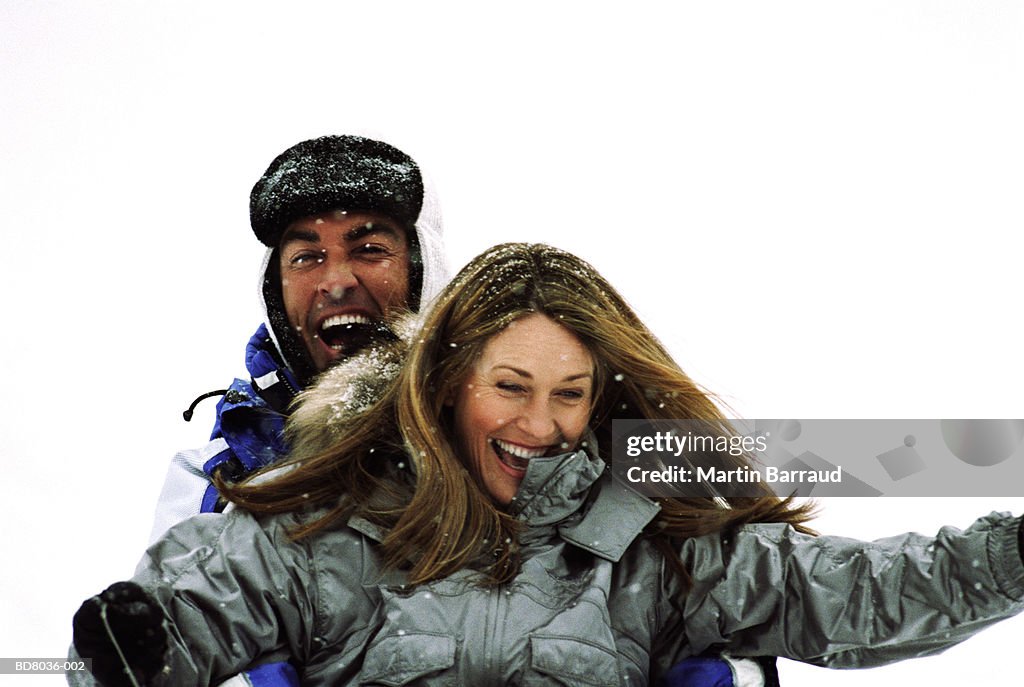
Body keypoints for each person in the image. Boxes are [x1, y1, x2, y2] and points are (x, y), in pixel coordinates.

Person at [72, 242, 1024, 686]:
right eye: (511, 385)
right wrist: (139, 640)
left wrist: (1009, 554)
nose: (540, 423)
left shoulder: (650, 550)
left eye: (570, 393)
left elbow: (854, 594)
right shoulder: (340, 530)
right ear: (449, 385)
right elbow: (200, 599)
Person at [149, 134, 449, 541]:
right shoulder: (213, 485)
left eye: (369, 249)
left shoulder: (503, 435)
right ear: (276, 289)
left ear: (424, 271)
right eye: (306, 258)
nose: (336, 282)